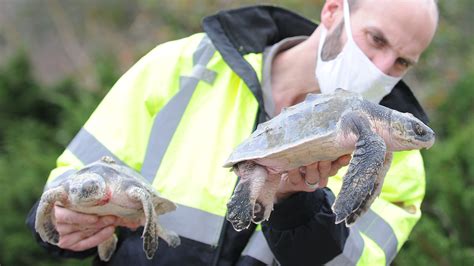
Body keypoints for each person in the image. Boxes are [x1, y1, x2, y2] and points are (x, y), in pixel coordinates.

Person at [26, 0, 438, 265]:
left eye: (402, 62)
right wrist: (64, 219)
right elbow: (72, 179)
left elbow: (341, 264)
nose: (381, 67)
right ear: (332, 11)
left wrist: (297, 204)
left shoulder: (398, 156)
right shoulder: (182, 66)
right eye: (375, 39)